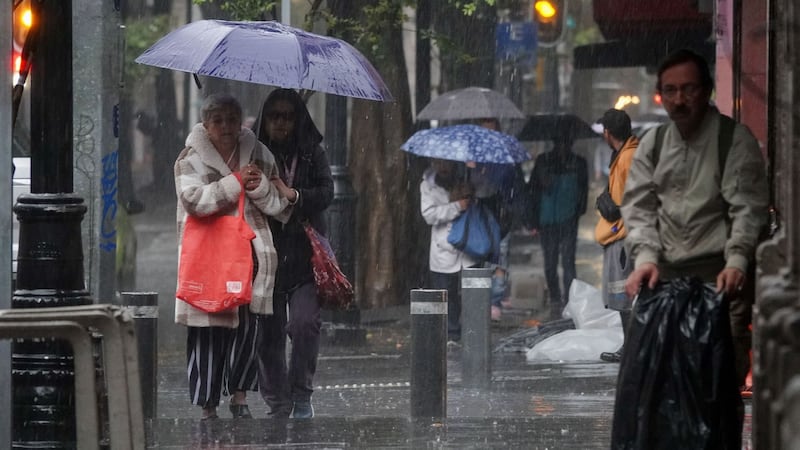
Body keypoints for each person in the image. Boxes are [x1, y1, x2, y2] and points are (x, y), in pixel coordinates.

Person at [621, 49, 769, 390]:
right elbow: (639, 207)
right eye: (670, 91)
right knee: (663, 387)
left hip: (721, 282)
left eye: (688, 89)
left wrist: (736, 261)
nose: (679, 99)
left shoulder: (733, 141)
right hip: (666, 282)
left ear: (706, 91)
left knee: (718, 385)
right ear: (661, 95)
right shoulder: (653, 144)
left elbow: (746, 208)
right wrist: (644, 259)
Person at [174, 93, 288, 420]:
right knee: (207, 330)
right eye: (218, 120)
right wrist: (235, 183)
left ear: (241, 123)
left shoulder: (260, 154)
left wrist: (259, 186)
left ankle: (240, 398)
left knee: (247, 330)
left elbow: (279, 207)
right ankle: (208, 406)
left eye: (231, 120)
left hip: (250, 256)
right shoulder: (189, 159)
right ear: (206, 125)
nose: (225, 126)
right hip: (208, 260)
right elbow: (195, 201)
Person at [252, 88, 334, 419]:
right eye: (275, 116)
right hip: (265, 256)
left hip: (304, 257)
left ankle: (302, 394)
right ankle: (277, 401)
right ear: (265, 119)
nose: (282, 123)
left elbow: (327, 192)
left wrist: (294, 194)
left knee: (304, 324)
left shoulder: (312, 153)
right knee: (268, 334)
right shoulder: (253, 153)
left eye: (288, 116)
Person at [526, 132, 589, 320]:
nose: (563, 146)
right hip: (551, 220)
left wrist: (578, 211)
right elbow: (535, 190)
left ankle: (567, 299)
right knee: (553, 262)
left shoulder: (576, 162)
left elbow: (582, 192)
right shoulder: (546, 161)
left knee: (565, 261)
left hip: (564, 219)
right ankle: (557, 298)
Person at [593, 108, 639, 363]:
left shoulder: (627, 158)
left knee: (624, 294)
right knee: (624, 294)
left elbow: (626, 202)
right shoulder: (625, 154)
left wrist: (610, 205)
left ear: (608, 133)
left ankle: (631, 350)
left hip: (622, 235)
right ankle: (631, 347)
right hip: (623, 232)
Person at [421, 158, 477, 347]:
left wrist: (469, 196)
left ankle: (473, 331)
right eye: (438, 163)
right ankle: (452, 333)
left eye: (447, 163)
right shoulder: (427, 186)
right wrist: (456, 206)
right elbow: (429, 215)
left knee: (473, 291)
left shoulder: (466, 180)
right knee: (447, 293)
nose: (443, 167)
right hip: (443, 247)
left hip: (469, 243)